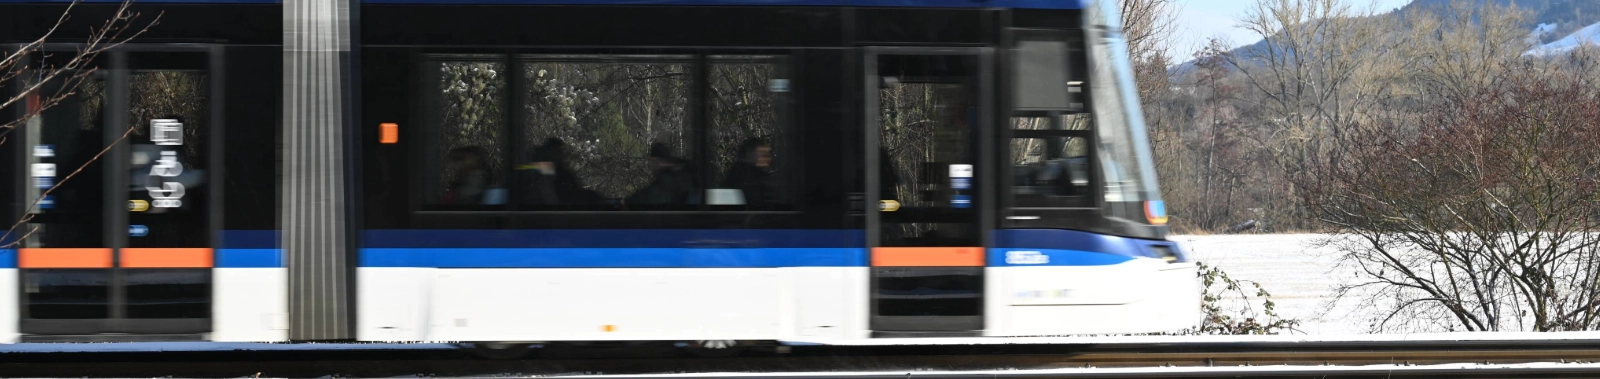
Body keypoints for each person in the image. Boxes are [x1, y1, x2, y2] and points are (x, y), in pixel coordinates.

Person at [626, 142, 697, 205]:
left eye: (653, 161)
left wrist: (628, 202)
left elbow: (650, 196)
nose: (651, 165)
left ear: (659, 161)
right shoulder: (680, 175)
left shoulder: (668, 181)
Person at [722, 138, 777, 205]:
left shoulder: (738, 170)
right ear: (750, 153)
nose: (768, 156)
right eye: (763, 152)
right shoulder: (743, 173)